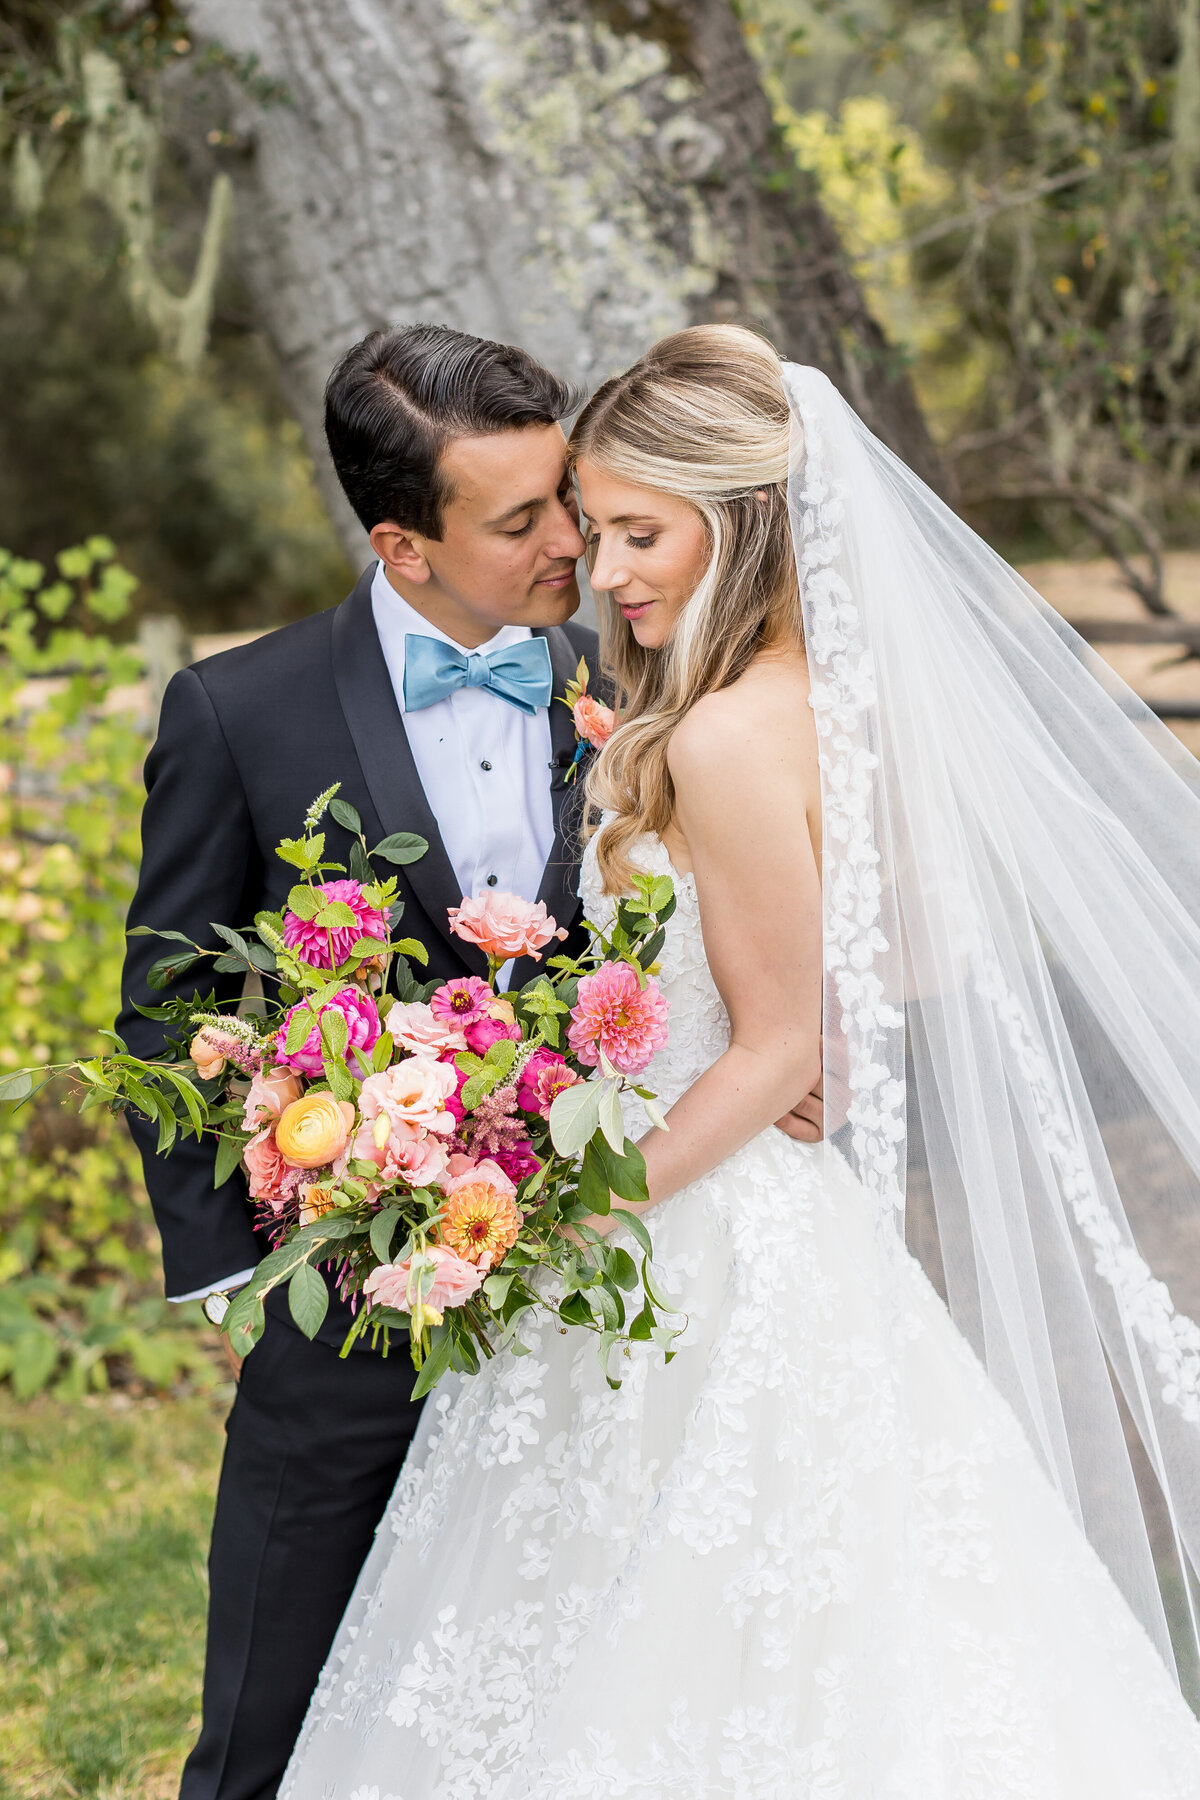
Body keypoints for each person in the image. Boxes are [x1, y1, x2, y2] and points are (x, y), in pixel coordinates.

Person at [279, 324, 1200, 1798]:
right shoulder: (809, 707)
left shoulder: (717, 736)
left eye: (643, 535)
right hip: (736, 1200)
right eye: (595, 533)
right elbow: (863, 973)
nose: (610, 572)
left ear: (749, 517)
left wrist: (570, 1208)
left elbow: (777, 1044)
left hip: (683, 1219)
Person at [118, 322, 825, 1800]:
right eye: (522, 521)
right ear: (404, 542)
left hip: (605, 1298)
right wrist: (245, 1268)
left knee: (553, 1706)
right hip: (352, 1300)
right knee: (271, 1729)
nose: (574, 542)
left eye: (572, 498)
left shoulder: (641, 678)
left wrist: (770, 1057)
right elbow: (169, 1003)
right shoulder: (239, 712)